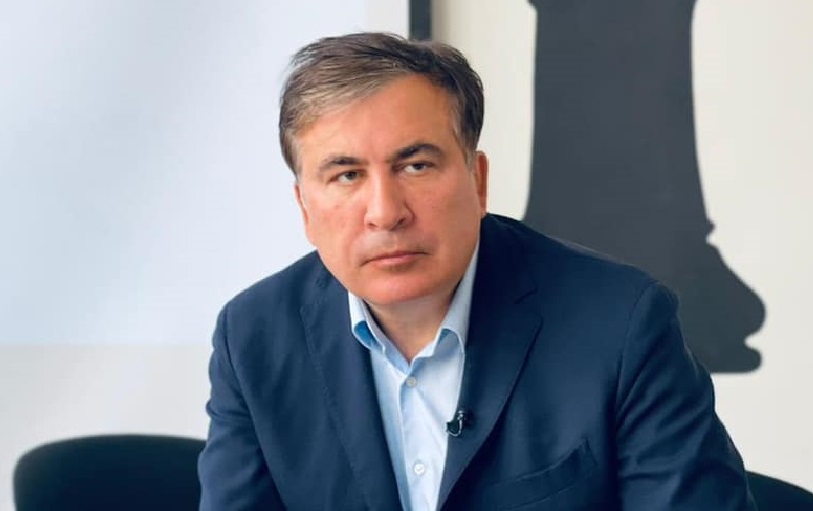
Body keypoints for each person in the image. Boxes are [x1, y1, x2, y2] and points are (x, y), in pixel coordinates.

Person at [198, 32, 756, 510]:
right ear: (304, 207)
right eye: (346, 175)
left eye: (416, 165)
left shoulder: (621, 325)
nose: (385, 212)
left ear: (478, 179)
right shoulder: (253, 338)